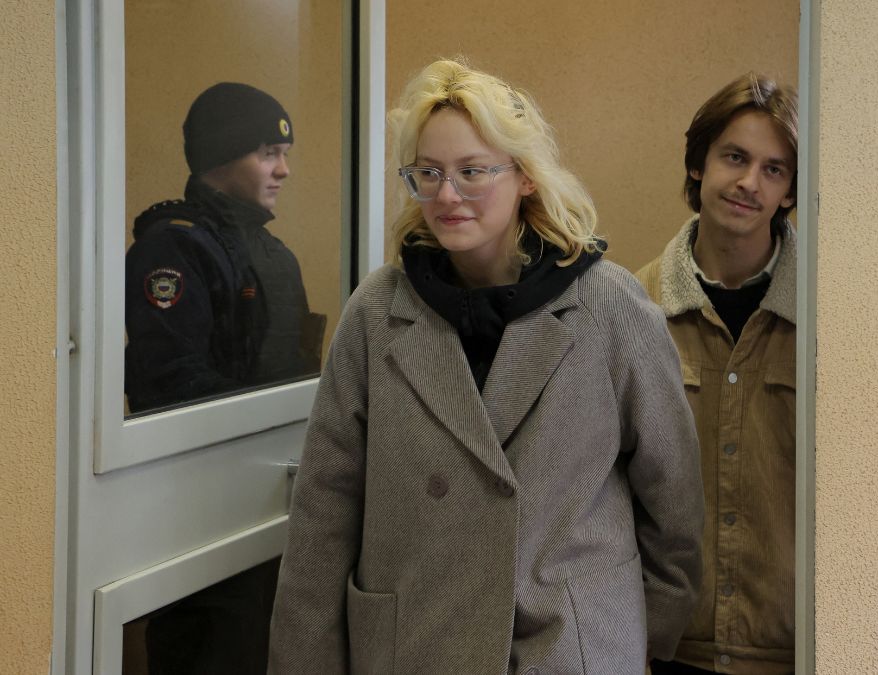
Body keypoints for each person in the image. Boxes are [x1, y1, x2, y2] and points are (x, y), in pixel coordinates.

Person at [268, 59, 704, 674]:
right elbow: (325, 508)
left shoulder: (607, 306)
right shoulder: (377, 312)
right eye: (428, 173)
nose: (446, 195)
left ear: (524, 176)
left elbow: (674, 496)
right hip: (416, 643)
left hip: (567, 648)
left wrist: (635, 636)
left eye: (472, 171)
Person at [638, 72, 798, 674]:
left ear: (788, 192)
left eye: (774, 169)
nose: (749, 183)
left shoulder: (832, 321)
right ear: (699, 165)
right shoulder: (633, 307)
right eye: (734, 157)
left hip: (796, 651)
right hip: (665, 651)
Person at [125, 81, 323, 414]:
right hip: (203, 457)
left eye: (284, 154)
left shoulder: (273, 253)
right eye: (268, 153)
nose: (284, 170)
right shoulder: (173, 249)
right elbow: (173, 387)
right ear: (221, 158)